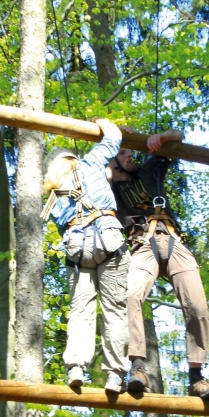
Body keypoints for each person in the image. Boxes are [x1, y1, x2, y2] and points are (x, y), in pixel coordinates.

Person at [107, 129, 209, 399]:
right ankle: (138, 367)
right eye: (123, 153)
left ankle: (196, 376)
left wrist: (163, 137)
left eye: (130, 150)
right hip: (141, 244)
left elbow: (178, 135)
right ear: (111, 161)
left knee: (198, 304)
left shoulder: (149, 171)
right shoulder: (107, 188)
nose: (130, 155)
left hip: (174, 240)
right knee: (130, 295)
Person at [43, 118, 130, 393]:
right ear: (73, 159)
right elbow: (114, 137)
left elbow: (60, 228)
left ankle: (76, 368)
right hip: (109, 238)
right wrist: (103, 124)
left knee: (80, 312)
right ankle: (115, 374)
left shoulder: (53, 196)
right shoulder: (90, 163)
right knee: (114, 311)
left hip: (78, 249)